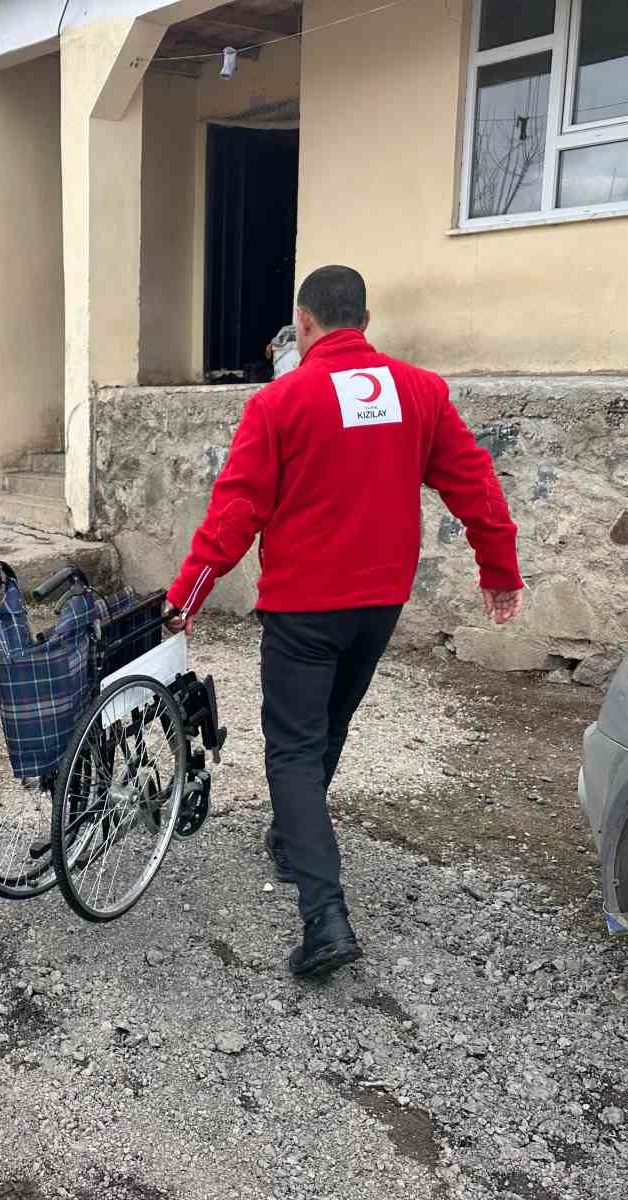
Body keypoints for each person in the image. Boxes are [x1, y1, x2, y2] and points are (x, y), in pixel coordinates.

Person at [164, 265, 524, 979]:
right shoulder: (421, 392)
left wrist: (186, 597)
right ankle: (293, 838)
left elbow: (235, 513)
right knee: (329, 726)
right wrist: (499, 569)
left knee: (294, 749)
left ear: (303, 323)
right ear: (363, 319)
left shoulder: (280, 402)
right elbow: (475, 483)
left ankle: (324, 917)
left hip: (304, 607)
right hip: (379, 604)